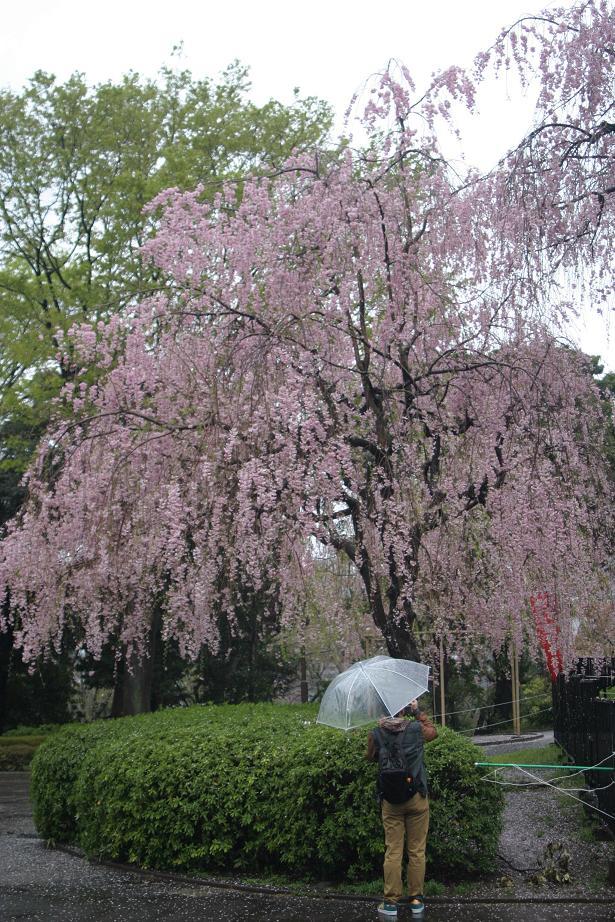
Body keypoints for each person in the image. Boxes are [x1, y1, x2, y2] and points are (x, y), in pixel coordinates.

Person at [367, 699, 438, 919]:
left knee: (393, 851)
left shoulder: (376, 733)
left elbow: (370, 757)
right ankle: (416, 901)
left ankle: (390, 903)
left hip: (390, 801)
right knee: (417, 850)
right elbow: (433, 733)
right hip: (417, 797)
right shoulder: (416, 729)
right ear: (403, 710)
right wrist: (417, 711)